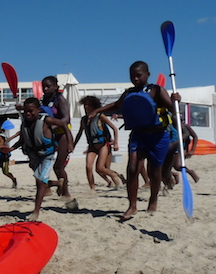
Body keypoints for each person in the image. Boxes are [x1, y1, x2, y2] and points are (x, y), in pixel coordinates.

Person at [94, 61, 181, 219]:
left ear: (148, 74)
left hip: (158, 136)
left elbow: (173, 109)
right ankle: (132, 206)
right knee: (132, 168)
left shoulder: (157, 90)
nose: (135, 79)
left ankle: (153, 199)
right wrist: (98, 110)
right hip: (138, 135)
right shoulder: (129, 93)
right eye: (132, 76)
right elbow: (117, 105)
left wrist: (176, 100)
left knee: (154, 172)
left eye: (139, 75)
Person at [11, 98, 68, 221]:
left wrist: (70, 142)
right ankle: (58, 183)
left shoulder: (46, 120)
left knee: (40, 182)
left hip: (47, 156)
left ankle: (36, 212)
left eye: (31, 111)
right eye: (25, 111)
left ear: (38, 110)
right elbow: (22, 140)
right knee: (39, 180)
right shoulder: (24, 123)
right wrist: (10, 149)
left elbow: (63, 124)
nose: (28, 114)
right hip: (34, 156)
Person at [74, 96, 122, 190]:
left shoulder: (100, 116)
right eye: (85, 105)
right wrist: (73, 145)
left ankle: (115, 176)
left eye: (89, 105)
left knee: (100, 168)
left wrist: (116, 143)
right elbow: (79, 133)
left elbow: (115, 129)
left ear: (94, 106)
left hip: (103, 145)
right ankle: (92, 188)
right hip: (92, 146)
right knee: (88, 167)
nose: (86, 107)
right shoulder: (83, 119)